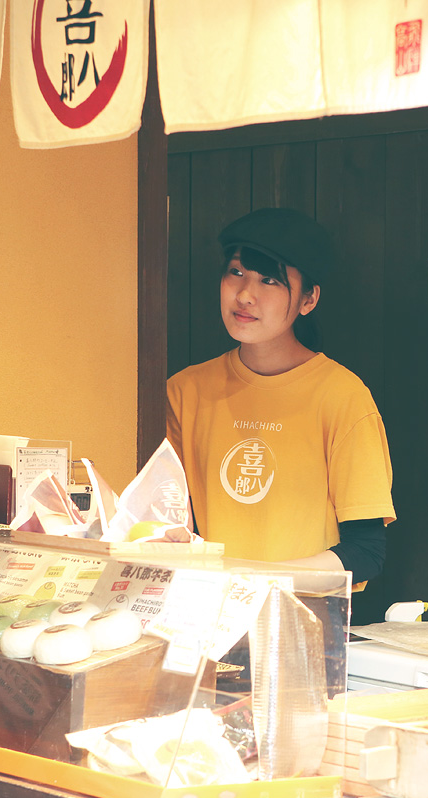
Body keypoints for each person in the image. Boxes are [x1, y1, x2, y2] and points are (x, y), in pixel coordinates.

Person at [166, 207, 395, 586]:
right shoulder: (185, 391)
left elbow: (365, 552)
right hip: (205, 619)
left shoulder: (342, 396)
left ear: (308, 299)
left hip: (303, 624)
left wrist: (256, 581)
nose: (244, 295)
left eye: (269, 280)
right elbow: (171, 522)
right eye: (235, 272)